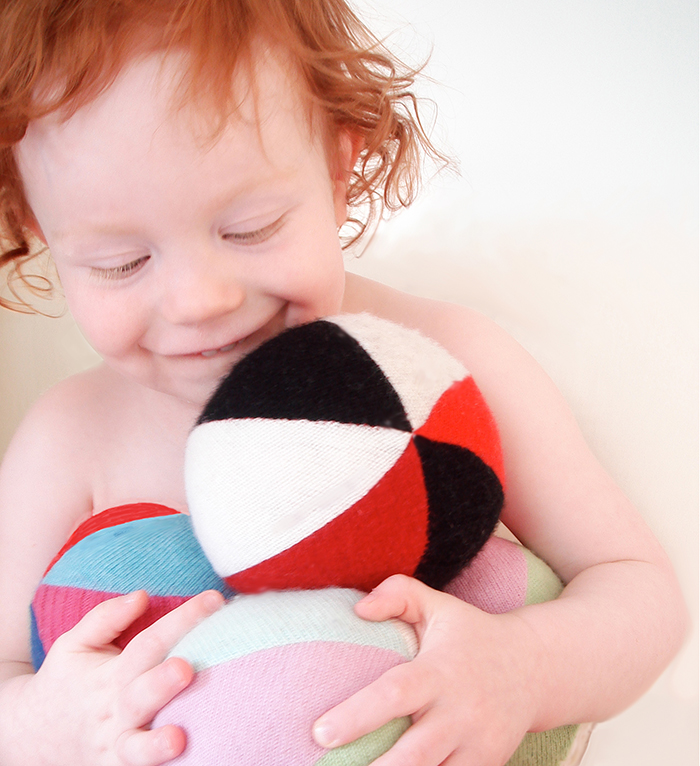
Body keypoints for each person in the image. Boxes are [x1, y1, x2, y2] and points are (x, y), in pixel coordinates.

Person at [0, 1, 688, 764]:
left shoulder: (446, 370)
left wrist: (521, 667)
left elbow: (639, 591)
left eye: (251, 227)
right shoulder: (68, 440)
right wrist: (46, 723)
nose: (200, 300)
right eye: (120, 263)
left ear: (337, 167)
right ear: (38, 231)